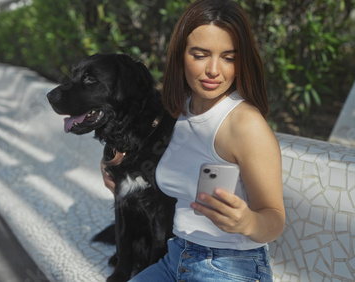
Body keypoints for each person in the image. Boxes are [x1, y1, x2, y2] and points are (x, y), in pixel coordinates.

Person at [101, 0, 285, 281]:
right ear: (180, 55)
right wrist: (111, 161)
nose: (214, 70)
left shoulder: (245, 124)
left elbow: (274, 219)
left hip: (230, 266)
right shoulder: (176, 110)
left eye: (229, 57)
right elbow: (127, 135)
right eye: (200, 55)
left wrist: (247, 221)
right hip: (175, 258)